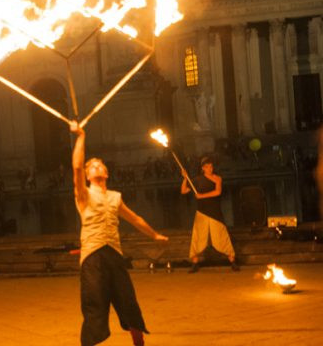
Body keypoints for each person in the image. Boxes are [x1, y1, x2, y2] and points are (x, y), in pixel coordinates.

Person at [70, 122, 168, 346]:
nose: (96, 167)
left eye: (99, 165)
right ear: (86, 176)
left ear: (106, 172)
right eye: (92, 166)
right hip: (92, 256)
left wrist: (154, 235)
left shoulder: (115, 197)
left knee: (128, 301)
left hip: (113, 253)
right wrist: (81, 136)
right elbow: (76, 166)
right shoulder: (83, 195)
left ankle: (138, 341)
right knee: (94, 305)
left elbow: (135, 219)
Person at [181, 156, 239, 273]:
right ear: (203, 168)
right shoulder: (197, 180)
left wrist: (201, 196)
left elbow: (218, 192)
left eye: (211, 166)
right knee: (197, 238)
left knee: (222, 236)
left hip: (214, 212)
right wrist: (185, 178)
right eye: (207, 167)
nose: (210, 169)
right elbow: (183, 191)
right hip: (201, 212)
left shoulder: (217, 178)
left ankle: (232, 261)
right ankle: (195, 264)